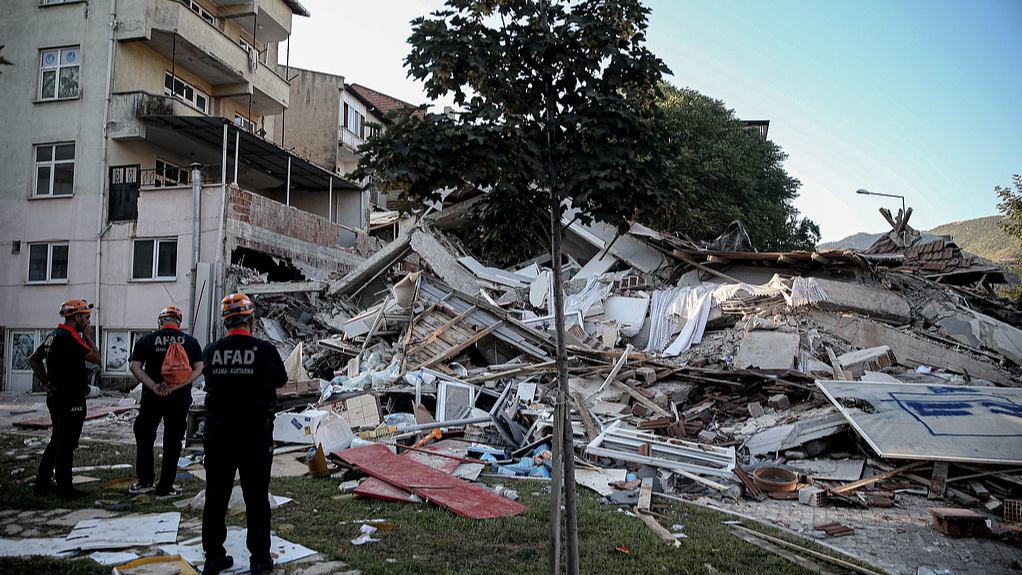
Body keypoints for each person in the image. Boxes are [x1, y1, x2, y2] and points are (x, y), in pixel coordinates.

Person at [200, 293, 287, 575]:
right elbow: (281, 380)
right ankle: (260, 560)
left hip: (218, 434)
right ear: (251, 319)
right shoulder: (265, 350)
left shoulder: (210, 351)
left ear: (225, 322)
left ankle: (214, 557)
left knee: (216, 496)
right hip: (254, 435)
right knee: (257, 497)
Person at [28, 299, 102, 499]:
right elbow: (96, 358)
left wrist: (46, 382)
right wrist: (88, 337)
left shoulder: (53, 336)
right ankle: (65, 488)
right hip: (71, 398)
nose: (88, 322)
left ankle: (43, 483)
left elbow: (34, 358)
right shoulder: (70, 337)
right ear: (77, 317)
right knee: (67, 444)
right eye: (86, 318)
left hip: (56, 396)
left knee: (57, 440)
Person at [129, 306, 203, 499]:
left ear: (161, 321)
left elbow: (135, 366)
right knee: (173, 441)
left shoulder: (146, 340)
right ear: (179, 322)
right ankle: (165, 487)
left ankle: (144, 481)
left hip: (152, 398)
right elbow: (198, 369)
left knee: (145, 436)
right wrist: (177, 386)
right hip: (179, 399)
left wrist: (154, 386)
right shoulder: (191, 342)